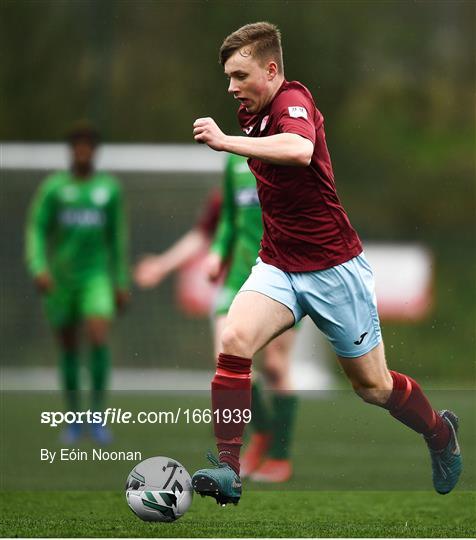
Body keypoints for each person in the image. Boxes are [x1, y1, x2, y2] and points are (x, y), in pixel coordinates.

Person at [190, 22, 462, 505]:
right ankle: (229, 468)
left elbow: (299, 149)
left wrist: (227, 141)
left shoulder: (293, 101)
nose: (231, 88)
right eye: (228, 77)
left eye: (239, 75)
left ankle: (439, 433)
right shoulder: (250, 112)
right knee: (233, 339)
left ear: (271, 70)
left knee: (373, 387)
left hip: (334, 269)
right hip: (278, 264)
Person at [135, 158, 300, 482]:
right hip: (238, 276)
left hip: (285, 274)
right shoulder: (234, 164)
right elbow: (223, 223)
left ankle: (280, 458)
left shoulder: (291, 154)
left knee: (275, 367)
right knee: (227, 360)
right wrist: (212, 254)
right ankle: (262, 434)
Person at [25, 121, 129, 444]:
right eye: (77, 146)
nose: (82, 151)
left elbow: (117, 238)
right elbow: (36, 230)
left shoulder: (108, 190)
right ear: (71, 151)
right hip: (61, 279)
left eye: (88, 146)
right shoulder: (54, 189)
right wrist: (38, 266)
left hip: (95, 278)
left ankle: (97, 415)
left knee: (98, 333)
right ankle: (73, 419)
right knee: (68, 345)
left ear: (94, 151)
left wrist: (120, 280)